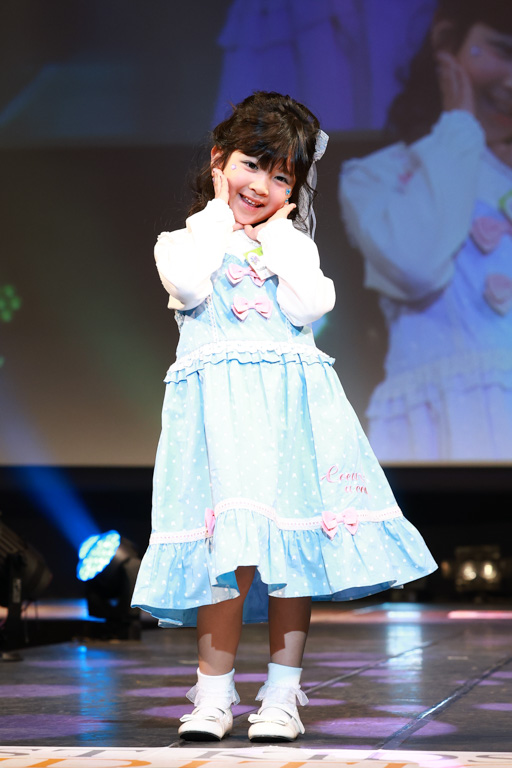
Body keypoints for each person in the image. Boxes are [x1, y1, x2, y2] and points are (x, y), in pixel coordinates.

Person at [132, 91, 437, 743]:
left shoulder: (290, 247)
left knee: (289, 552)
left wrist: (276, 237)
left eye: (281, 177)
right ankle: (213, 695)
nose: (261, 186)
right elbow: (189, 285)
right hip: (218, 424)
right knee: (227, 557)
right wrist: (219, 218)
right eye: (250, 165)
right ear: (219, 161)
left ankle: (282, 695)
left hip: (290, 419)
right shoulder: (182, 243)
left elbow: (311, 306)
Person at [340, 0, 512, 461]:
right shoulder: (380, 176)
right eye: (502, 51)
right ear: (446, 43)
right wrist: (458, 129)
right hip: (442, 434)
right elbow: (416, 266)